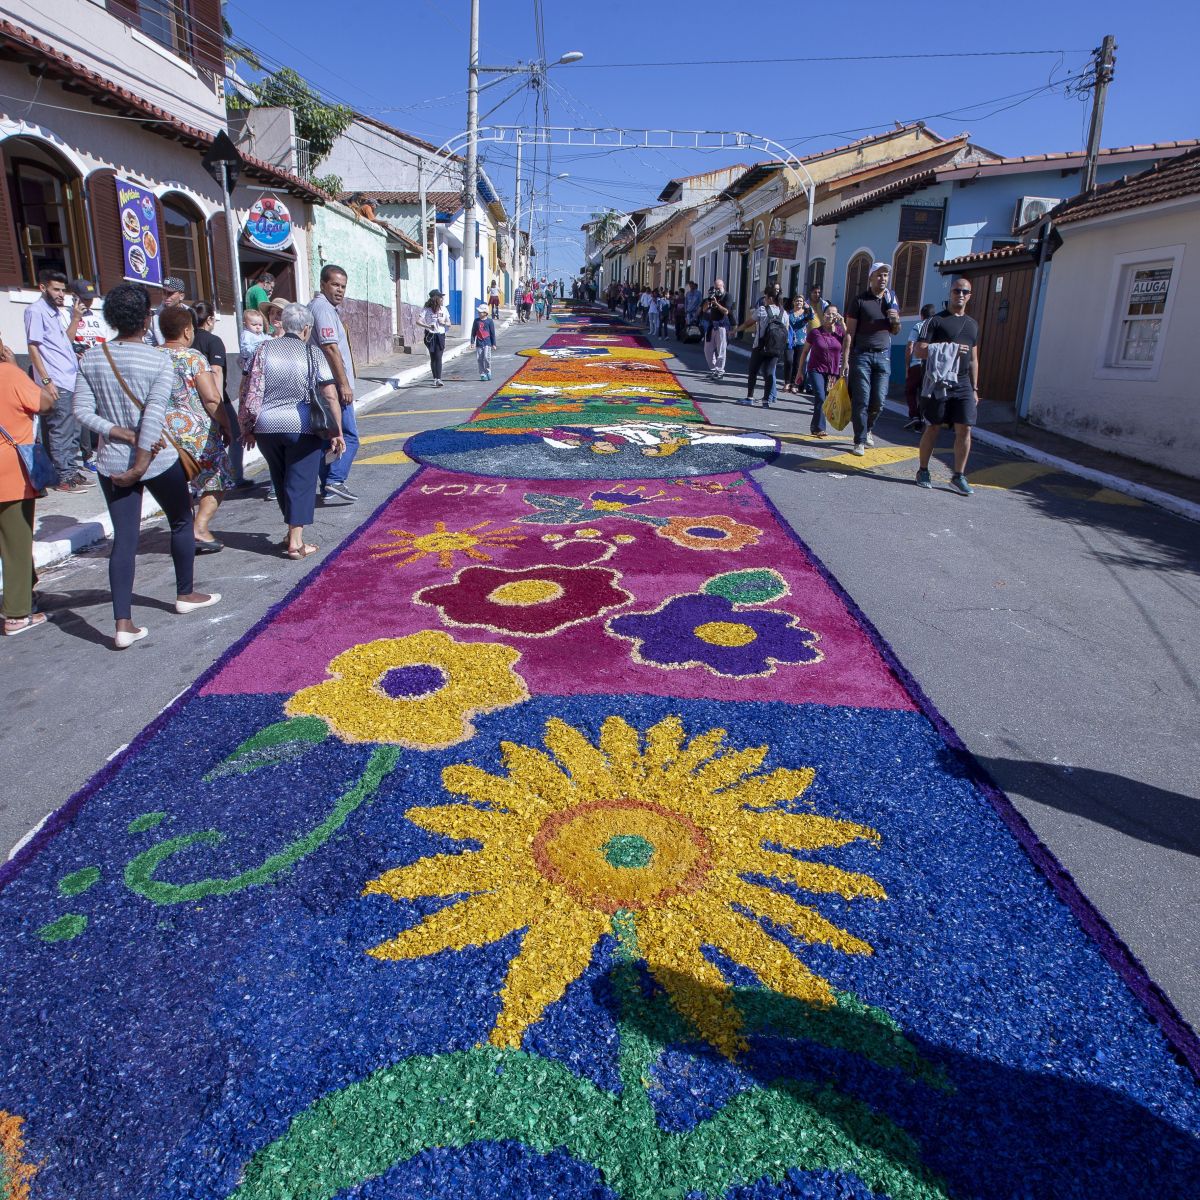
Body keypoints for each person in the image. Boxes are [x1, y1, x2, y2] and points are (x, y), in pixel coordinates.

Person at [74, 283, 220, 649]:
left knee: (124, 539)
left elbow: (81, 411)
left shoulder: (93, 357)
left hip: (111, 461)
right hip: (156, 459)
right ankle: (184, 594)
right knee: (182, 519)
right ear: (145, 319)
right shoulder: (157, 359)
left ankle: (123, 623)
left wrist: (117, 432)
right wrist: (140, 462)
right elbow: (154, 415)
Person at [240, 303, 345, 559]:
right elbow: (329, 394)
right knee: (301, 482)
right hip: (301, 426)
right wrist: (337, 431)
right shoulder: (312, 353)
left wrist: (247, 427)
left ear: (283, 324)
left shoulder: (262, 349)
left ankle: (290, 533)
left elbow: (247, 388)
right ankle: (296, 543)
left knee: (281, 480)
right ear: (307, 328)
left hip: (265, 426)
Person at [159, 305, 234, 553]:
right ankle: (199, 528)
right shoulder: (193, 357)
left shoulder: (151, 356)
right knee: (218, 477)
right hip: (196, 434)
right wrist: (226, 424)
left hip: (160, 433)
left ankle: (183, 530)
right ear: (188, 331)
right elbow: (212, 398)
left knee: (176, 485)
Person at [0, 338, 55, 635]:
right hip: (10, 473)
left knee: (7, 542)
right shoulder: (9, 375)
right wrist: (14, 368)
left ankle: (23, 593)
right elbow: (46, 402)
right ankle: (17, 615)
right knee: (17, 544)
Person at [914, 278, 980, 496]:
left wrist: (975, 388)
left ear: (970, 295)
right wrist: (950, 348)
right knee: (933, 426)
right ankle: (923, 470)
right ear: (950, 293)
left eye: (965, 291)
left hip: (962, 383)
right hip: (939, 380)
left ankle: (958, 476)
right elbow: (919, 350)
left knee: (965, 428)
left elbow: (973, 359)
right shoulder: (935, 321)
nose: (960, 294)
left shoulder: (972, 324)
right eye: (956, 291)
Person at [25, 268, 88, 492]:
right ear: (43, 288)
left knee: (73, 429)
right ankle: (64, 477)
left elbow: (65, 343)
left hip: (69, 377)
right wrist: (46, 379)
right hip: (56, 380)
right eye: (56, 289)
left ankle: (70, 470)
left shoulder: (54, 312)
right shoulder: (35, 311)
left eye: (63, 290)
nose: (62, 294)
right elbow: (33, 347)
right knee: (60, 429)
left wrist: (75, 319)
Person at [309, 265, 358, 503]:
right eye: (335, 285)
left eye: (343, 286)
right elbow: (330, 348)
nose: (340, 290)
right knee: (348, 435)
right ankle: (335, 480)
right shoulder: (322, 309)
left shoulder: (324, 308)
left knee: (326, 437)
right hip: (332, 386)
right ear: (323, 284)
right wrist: (344, 385)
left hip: (325, 383)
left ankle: (328, 484)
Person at [842, 261, 900, 456]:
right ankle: (859, 440)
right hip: (862, 355)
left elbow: (895, 331)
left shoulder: (892, 300)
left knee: (879, 401)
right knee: (862, 399)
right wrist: (845, 360)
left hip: (883, 356)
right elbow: (850, 332)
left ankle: (868, 428)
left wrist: (896, 320)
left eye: (886, 275)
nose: (883, 278)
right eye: (879, 275)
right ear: (871, 277)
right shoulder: (859, 300)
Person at [191, 301, 246, 489]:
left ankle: (199, 480)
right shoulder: (213, 341)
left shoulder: (189, 340)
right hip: (215, 396)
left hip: (192, 400)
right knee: (235, 435)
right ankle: (235, 476)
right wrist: (219, 405)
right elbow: (216, 372)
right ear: (210, 319)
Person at [795, 306, 847, 438]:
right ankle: (819, 428)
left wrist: (843, 323)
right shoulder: (815, 332)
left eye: (834, 314)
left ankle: (814, 426)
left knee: (827, 399)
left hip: (832, 372)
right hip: (816, 369)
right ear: (823, 315)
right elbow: (805, 352)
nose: (831, 316)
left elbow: (849, 340)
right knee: (820, 396)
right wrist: (800, 371)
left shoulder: (840, 333)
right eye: (828, 314)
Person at [739, 284, 787, 408]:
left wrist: (736, 330)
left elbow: (748, 323)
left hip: (760, 345)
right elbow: (786, 330)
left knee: (753, 371)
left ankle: (750, 397)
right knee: (770, 372)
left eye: (765, 297)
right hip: (776, 347)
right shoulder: (784, 313)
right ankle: (766, 400)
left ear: (770, 298)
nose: (764, 300)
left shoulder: (762, 310)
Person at [904, 303, 937, 432]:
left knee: (910, 390)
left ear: (921, 315)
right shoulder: (937, 326)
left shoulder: (919, 326)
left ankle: (915, 415)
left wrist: (907, 365)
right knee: (925, 392)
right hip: (931, 366)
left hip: (917, 364)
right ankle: (922, 418)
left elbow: (910, 347)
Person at [418, 289, 451, 388]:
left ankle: (439, 379)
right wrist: (428, 326)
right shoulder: (426, 309)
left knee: (439, 357)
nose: (442, 298)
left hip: (440, 335)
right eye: (440, 297)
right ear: (435, 298)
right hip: (430, 335)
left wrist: (444, 323)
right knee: (433, 358)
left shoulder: (444, 309)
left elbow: (449, 323)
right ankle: (435, 378)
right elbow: (418, 321)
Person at [145, 276, 187, 346]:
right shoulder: (153, 317)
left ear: (181, 296)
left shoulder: (190, 313)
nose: (166, 296)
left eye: (170, 293)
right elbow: (149, 342)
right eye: (164, 292)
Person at [705, 281, 734, 380]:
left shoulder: (727, 296)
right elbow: (704, 309)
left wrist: (716, 303)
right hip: (711, 325)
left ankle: (720, 371)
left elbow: (726, 311)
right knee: (707, 349)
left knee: (721, 350)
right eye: (715, 288)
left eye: (718, 288)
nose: (717, 290)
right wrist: (708, 301)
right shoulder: (713, 296)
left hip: (722, 326)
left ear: (723, 287)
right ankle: (713, 370)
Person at [784, 296, 810, 394]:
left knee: (798, 363)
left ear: (803, 303)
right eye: (797, 300)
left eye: (801, 301)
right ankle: (787, 382)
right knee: (788, 360)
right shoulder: (788, 313)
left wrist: (808, 307)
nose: (798, 302)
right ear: (793, 302)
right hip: (789, 340)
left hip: (801, 341)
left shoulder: (806, 314)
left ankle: (794, 384)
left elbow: (812, 316)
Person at [470, 304, 497, 381]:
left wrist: (493, 344)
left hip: (487, 343)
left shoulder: (490, 321)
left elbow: (492, 333)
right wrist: (472, 342)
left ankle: (488, 371)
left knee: (486, 358)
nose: (479, 313)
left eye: (481, 312)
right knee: (479, 359)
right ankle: (482, 374)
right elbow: (473, 332)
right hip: (479, 343)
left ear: (485, 313)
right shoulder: (476, 321)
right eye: (478, 312)